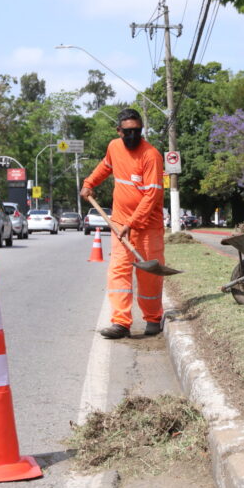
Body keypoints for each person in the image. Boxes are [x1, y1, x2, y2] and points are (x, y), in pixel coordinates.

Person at [80, 108, 166, 338]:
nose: (132, 136)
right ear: (119, 131)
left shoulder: (151, 156)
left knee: (149, 276)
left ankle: (153, 318)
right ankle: (121, 322)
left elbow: (152, 196)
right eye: (127, 132)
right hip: (120, 223)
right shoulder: (114, 147)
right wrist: (89, 183)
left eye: (137, 131)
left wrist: (133, 222)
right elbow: (105, 167)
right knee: (118, 272)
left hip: (148, 227)